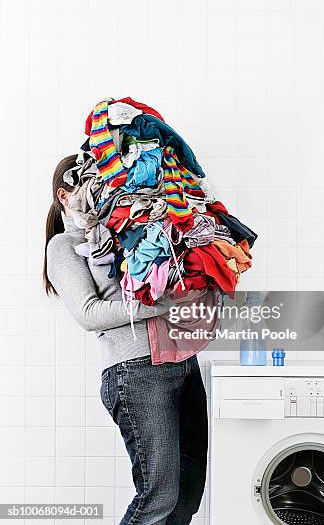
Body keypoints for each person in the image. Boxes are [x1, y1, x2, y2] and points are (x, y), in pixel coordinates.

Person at [43, 155, 208, 525]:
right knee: (158, 498)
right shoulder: (63, 246)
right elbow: (89, 313)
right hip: (136, 374)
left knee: (187, 495)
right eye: (89, 184)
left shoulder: (130, 228)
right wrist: (160, 302)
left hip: (183, 364)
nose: (100, 190)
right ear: (65, 195)